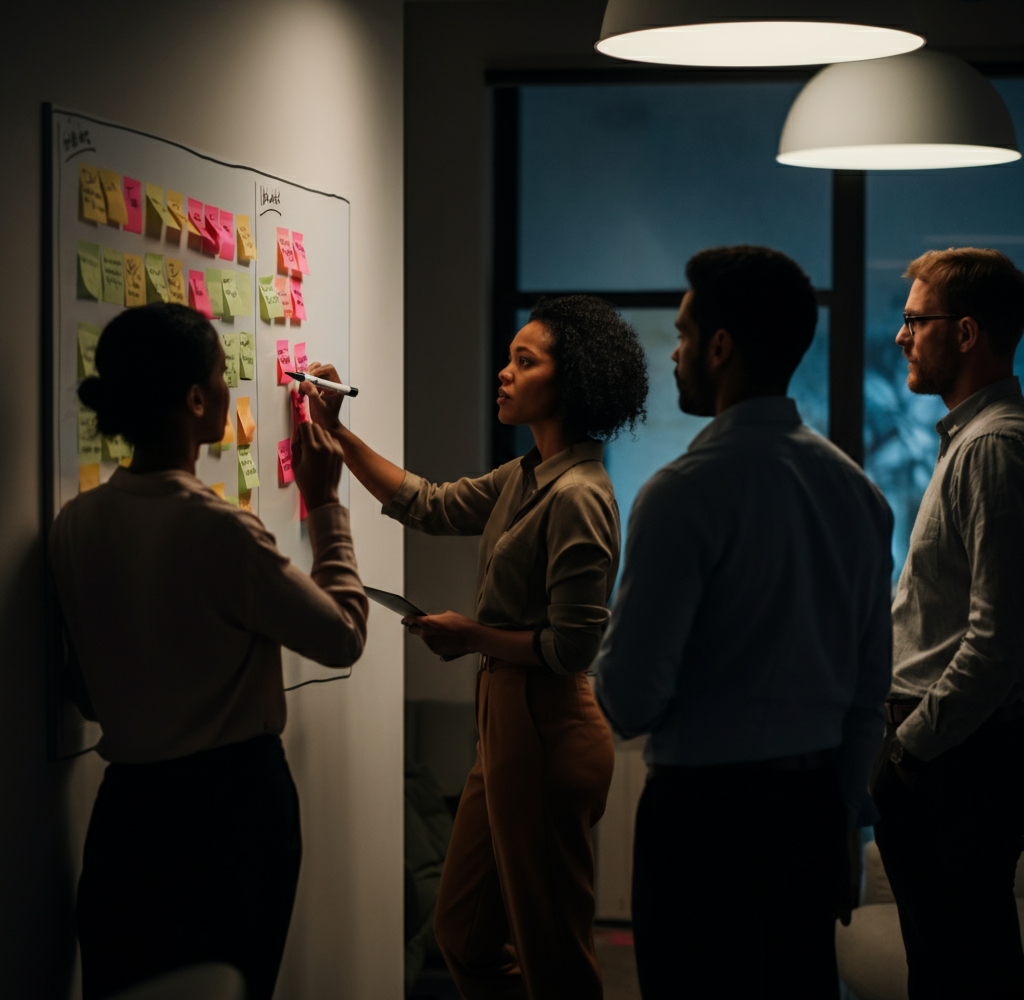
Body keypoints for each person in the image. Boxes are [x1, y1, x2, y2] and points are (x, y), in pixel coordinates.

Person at [300, 295, 648, 1000]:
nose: (504, 373)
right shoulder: (525, 475)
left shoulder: (580, 494)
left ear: (571, 382)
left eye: (525, 362)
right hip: (507, 730)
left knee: (556, 961)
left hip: (549, 730)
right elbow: (429, 503)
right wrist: (334, 433)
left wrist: (471, 638)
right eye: (508, 358)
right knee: (461, 933)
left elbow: (576, 645)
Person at [595, 246, 894, 999]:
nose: (677, 352)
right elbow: (869, 692)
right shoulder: (857, 493)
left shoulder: (682, 494)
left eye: (686, 334)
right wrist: (844, 823)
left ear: (721, 347)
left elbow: (628, 699)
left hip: (704, 819)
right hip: (814, 810)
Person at [49, 303, 368, 1000]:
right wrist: (324, 504)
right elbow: (343, 634)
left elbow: (86, 691)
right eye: (224, 377)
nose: (231, 391)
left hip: (127, 814)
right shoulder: (222, 531)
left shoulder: (75, 525)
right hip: (231, 813)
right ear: (196, 400)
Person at [871, 248, 1024, 999]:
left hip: (954, 761)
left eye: (913, 320)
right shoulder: (970, 439)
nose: (901, 336)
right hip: (947, 757)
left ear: (965, 333)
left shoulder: (993, 447)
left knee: (963, 973)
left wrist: (910, 747)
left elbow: (997, 643)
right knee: (945, 968)